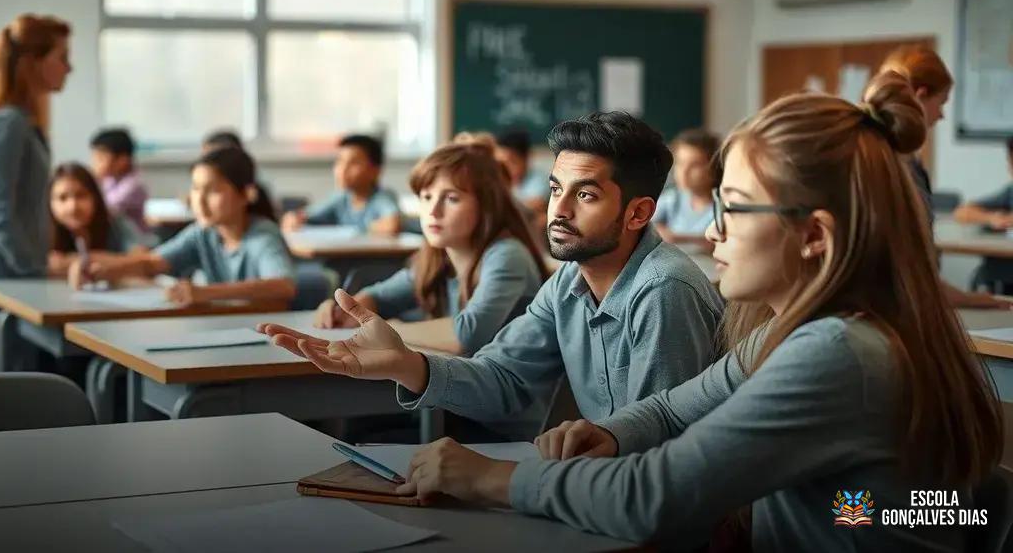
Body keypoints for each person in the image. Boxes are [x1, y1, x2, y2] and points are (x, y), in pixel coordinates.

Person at [371, 73, 1004, 552]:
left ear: (813, 234)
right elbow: (677, 407)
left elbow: (658, 496)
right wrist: (614, 433)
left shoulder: (836, 351)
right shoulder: (798, 331)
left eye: (733, 207)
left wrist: (491, 479)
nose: (712, 232)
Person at [261, 111, 724, 439]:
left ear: (639, 212)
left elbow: (656, 453)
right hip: (599, 489)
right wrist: (406, 363)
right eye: (555, 189)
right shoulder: (568, 282)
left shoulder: (664, 292)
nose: (557, 211)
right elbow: (504, 379)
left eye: (585, 196)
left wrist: (504, 485)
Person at [314, 139, 549, 356]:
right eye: (426, 197)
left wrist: (389, 329)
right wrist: (344, 311)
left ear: (486, 206)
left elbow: (466, 336)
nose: (433, 212)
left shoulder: (507, 254)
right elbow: (381, 297)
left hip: (513, 395)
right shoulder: (438, 257)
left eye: (451, 198)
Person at [0, 13, 72, 374]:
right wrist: (34, 266)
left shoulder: (19, 120)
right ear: (32, 63)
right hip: (1, 271)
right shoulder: (10, 124)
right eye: (61, 57)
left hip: (7, 269)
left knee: (6, 373)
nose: (69, 68)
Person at [69, 147, 296, 307]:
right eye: (196, 189)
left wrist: (205, 293)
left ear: (247, 194)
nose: (200, 200)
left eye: (213, 190)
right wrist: (104, 271)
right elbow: (153, 263)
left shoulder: (262, 235)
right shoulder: (204, 232)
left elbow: (283, 286)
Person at [877, 45, 1011, 309]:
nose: (942, 114)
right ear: (920, 95)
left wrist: (972, 299)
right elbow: (909, 276)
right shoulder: (895, 170)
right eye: (942, 103)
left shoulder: (906, 164)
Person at [281, 134, 401, 235]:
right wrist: (294, 218)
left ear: (375, 171)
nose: (343, 170)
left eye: (354, 163)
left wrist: (357, 229)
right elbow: (303, 216)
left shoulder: (381, 197)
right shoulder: (341, 197)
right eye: (340, 161)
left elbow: (392, 225)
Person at [46, 162, 146, 277]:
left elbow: (143, 259)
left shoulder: (116, 223)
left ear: (95, 198)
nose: (73, 207)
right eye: (62, 198)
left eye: (81, 195)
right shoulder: (41, 230)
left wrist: (79, 261)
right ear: (49, 202)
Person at [953, 137, 1013, 292]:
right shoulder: (1010, 192)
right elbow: (962, 212)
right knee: (984, 274)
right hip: (1005, 268)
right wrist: (992, 218)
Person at [652, 128, 720, 243]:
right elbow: (646, 222)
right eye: (680, 163)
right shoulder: (673, 198)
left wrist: (676, 238)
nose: (684, 172)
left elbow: (716, 242)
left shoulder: (721, 206)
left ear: (714, 168)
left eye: (695, 165)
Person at [89, 127, 148, 232]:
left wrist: (91, 180)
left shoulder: (133, 185)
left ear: (122, 160)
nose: (95, 164)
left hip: (134, 241)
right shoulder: (110, 179)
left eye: (101, 158)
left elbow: (100, 211)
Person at [495, 129, 550, 215]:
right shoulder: (497, 179)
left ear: (526, 158)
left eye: (512, 162)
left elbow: (536, 204)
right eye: (501, 163)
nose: (506, 168)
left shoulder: (540, 180)